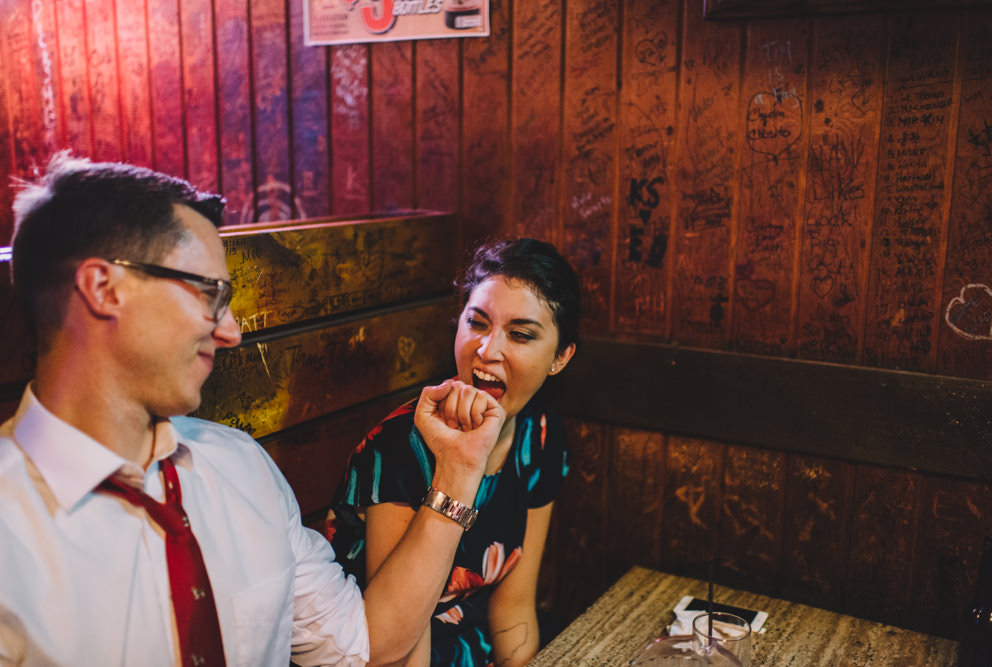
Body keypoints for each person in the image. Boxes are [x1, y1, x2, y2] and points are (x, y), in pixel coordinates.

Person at [0, 152, 503, 666]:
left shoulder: (238, 465)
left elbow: (363, 643)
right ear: (105, 288)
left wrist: (458, 471)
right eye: (211, 293)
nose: (231, 332)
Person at [328, 238, 579, 667]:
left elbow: (513, 608)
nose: (486, 349)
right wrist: (460, 466)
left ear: (560, 357)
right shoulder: (401, 445)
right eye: (477, 322)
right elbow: (394, 646)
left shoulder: (539, 436)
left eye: (519, 334)